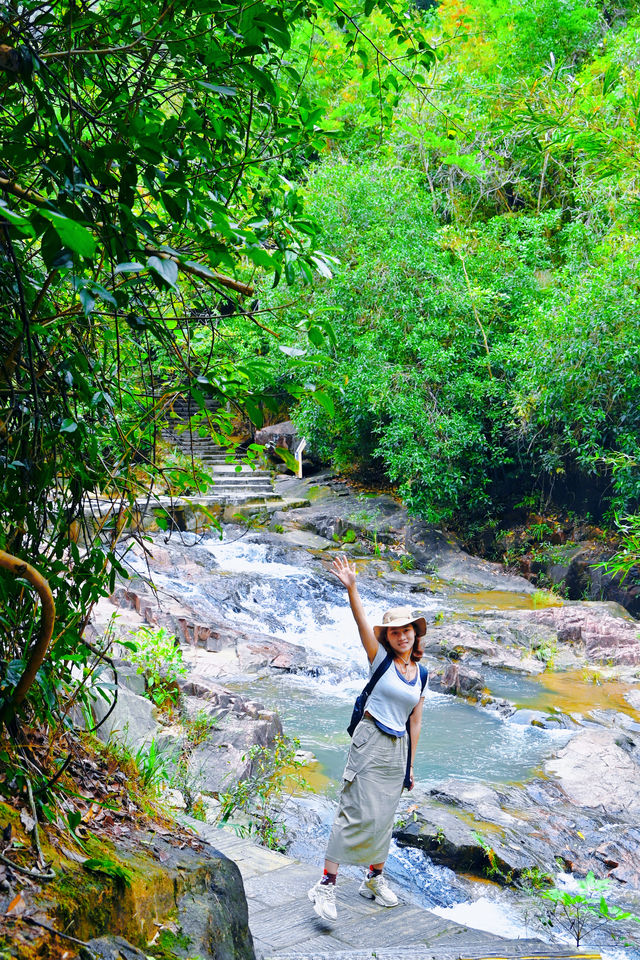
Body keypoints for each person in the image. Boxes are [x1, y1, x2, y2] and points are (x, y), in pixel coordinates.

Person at [308, 554, 427, 924]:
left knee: (384, 816)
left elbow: (416, 723)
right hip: (370, 738)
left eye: (407, 630)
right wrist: (352, 587)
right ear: (388, 638)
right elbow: (362, 622)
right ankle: (326, 884)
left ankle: (373, 879)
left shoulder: (421, 673)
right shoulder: (380, 659)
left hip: (398, 748)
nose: (403, 635)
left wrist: (410, 766)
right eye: (395, 631)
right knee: (353, 811)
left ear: (415, 633)